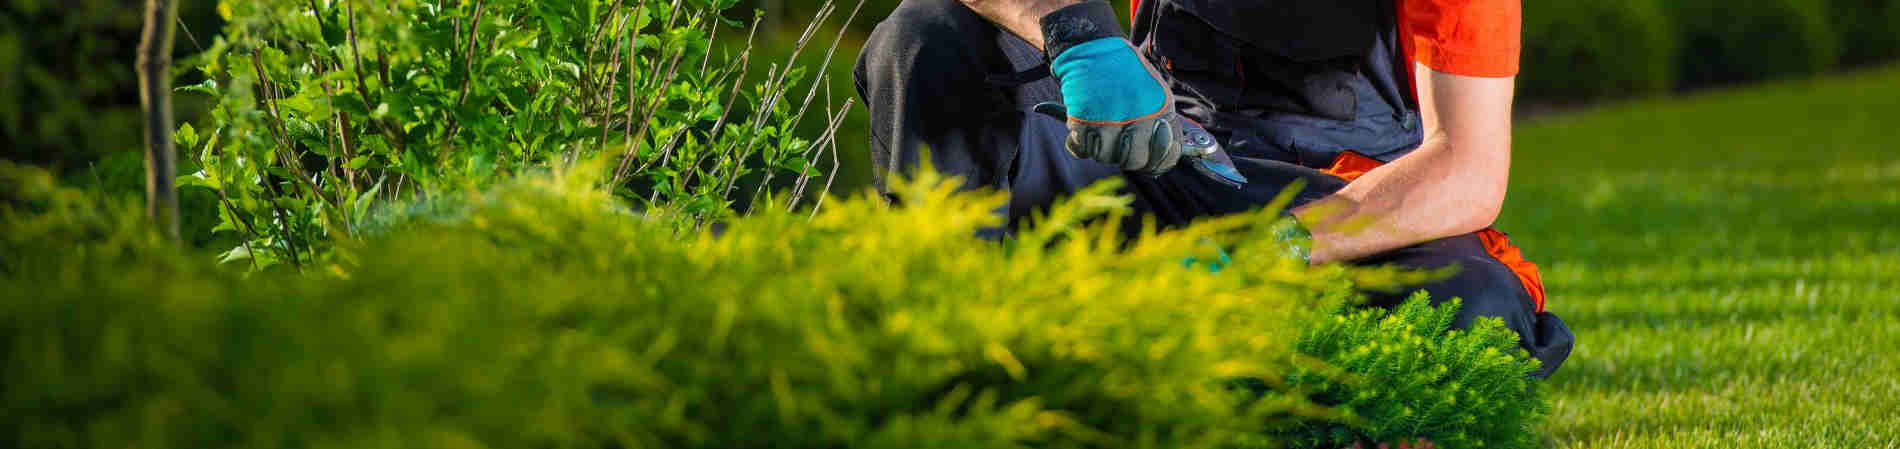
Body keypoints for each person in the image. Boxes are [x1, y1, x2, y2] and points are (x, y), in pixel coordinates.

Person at [854, 0, 1572, 377]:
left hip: (1334, 201)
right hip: (1154, 151)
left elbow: (1468, 168)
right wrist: (1072, 32)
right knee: (926, 36)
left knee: (1473, 306)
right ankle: (944, 367)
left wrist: (1272, 253)